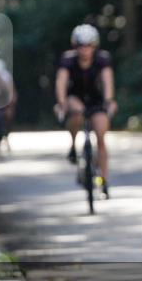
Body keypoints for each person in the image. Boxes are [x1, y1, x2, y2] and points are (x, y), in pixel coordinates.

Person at [53, 24, 117, 197]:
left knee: (101, 137)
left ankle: (104, 180)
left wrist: (109, 101)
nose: (84, 49)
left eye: (88, 45)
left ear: (94, 45)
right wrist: (61, 102)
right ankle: (73, 145)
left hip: (97, 101)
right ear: (75, 46)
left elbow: (107, 81)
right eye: (81, 45)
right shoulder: (68, 60)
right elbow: (61, 82)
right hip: (75, 99)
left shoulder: (102, 59)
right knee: (77, 110)